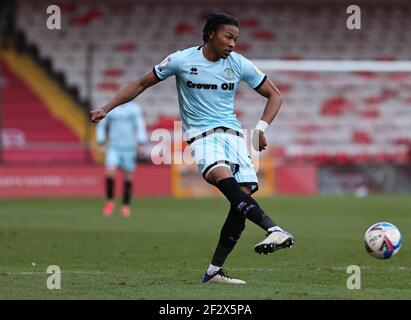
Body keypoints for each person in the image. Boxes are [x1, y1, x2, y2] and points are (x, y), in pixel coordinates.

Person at [90, 12, 294, 284]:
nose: (233, 44)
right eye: (228, 37)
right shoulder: (182, 60)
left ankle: (214, 272)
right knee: (224, 180)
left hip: (234, 137)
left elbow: (275, 94)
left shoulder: (238, 64)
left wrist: (260, 129)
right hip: (203, 137)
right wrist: (106, 108)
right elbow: (141, 83)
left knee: (239, 202)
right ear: (211, 34)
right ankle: (274, 228)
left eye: (236, 39)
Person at [96, 101, 147, 218]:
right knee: (110, 173)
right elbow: (102, 124)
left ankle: (125, 206)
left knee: (128, 177)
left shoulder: (134, 108)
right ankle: (110, 202)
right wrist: (101, 141)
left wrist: (141, 142)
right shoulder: (110, 107)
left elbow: (139, 125)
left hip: (129, 148)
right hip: (113, 147)